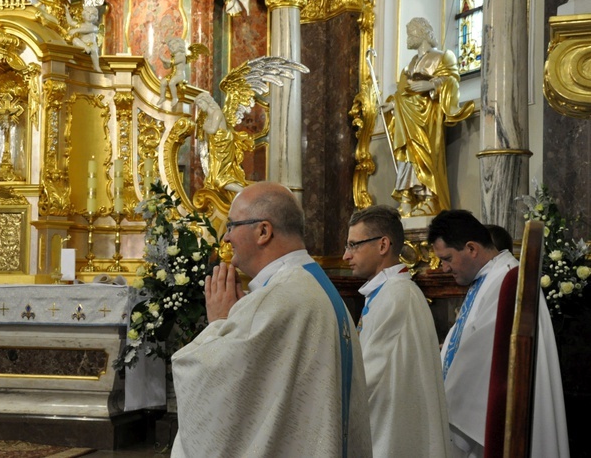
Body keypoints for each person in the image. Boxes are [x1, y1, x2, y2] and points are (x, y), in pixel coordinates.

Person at [171, 182, 372, 457]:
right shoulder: (309, 284)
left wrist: (218, 323)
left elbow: (204, 383)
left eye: (231, 226)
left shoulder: (279, 299)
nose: (226, 238)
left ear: (263, 231)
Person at [428, 210, 569, 458]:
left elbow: (479, 368)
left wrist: (439, 408)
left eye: (447, 258)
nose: (443, 268)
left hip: (482, 429)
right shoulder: (490, 279)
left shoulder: (506, 282)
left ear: (471, 248)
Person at [343, 205, 451, 458]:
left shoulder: (396, 296)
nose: (346, 255)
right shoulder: (388, 293)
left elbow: (368, 377)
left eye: (353, 245)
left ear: (382, 245)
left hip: (392, 435)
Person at [381, 17, 474, 217]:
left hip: (428, 119)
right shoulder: (410, 65)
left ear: (421, 34)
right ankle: (407, 198)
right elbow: (402, 92)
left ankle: (430, 199)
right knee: (408, 157)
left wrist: (432, 85)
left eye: (410, 34)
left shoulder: (442, 57)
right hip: (408, 119)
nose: (407, 39)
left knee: (426, 158)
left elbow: (452, 80)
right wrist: (392, 104)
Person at [193, 91, 253, 195]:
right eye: (198, 105)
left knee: (219, 180)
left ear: (207, 101)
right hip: (215, 148)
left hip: (224, 147)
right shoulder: (207, 116)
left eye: (201, 103)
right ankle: (240, 194)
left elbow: (212, 130)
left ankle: (246, 193)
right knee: (214, 179)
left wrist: (204, 126)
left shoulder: (217, 113)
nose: (200, 106)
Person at [65, 5, 102, 72]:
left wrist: (76, 30)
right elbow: (70, 22)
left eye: (92, 14)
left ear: (95, 17)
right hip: (82, 45)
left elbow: (87, 29)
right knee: (75, 40)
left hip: (91, 45)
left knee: (94, 48)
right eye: (88, 13)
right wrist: (67, 13)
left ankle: (96, 66)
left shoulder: (94, 27)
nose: (90, 15)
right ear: (84, 14)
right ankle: (78, 54)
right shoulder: (80, 25)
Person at [157, 38, 187, 107]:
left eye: (173, 44)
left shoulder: (182, 56)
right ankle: (162, 97)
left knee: (172, 82)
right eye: (170, 46)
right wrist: (163, 61)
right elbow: (167, 66)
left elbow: (173, 61)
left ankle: (175, 98)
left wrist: (163, 58)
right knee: (163, 82)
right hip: (173, 75)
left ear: (180, 44)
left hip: (180, 75)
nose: (172, 46)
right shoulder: (173, 56)